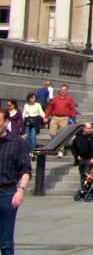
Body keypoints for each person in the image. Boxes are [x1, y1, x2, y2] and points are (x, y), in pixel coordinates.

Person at [0, 107, 31, 255]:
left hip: (7, 194)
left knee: (5, 242)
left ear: (6, 122)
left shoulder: (17, 142)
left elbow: (26, 170)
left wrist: (21, 190)